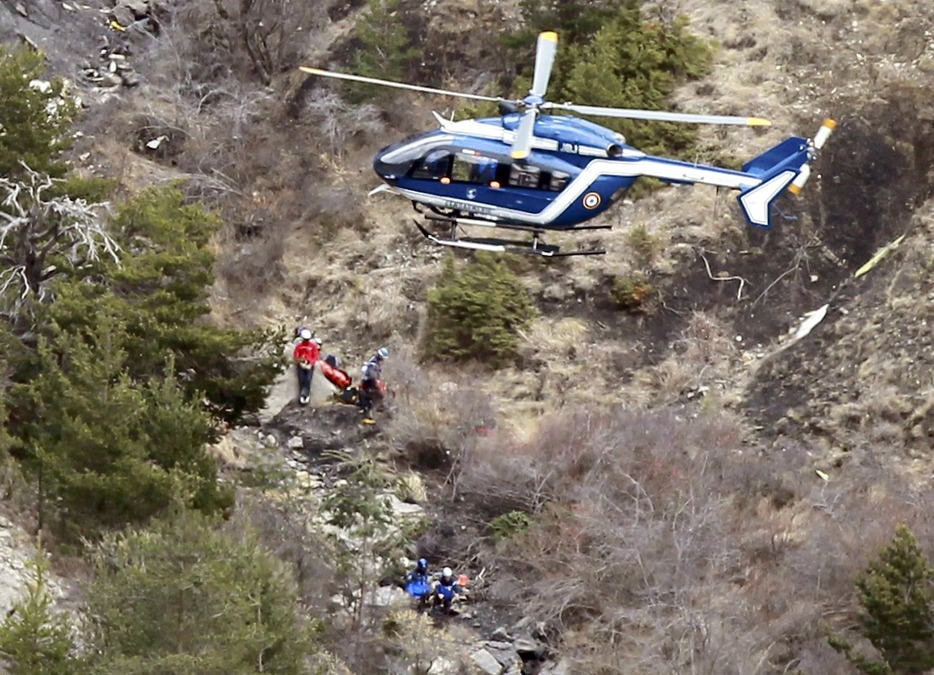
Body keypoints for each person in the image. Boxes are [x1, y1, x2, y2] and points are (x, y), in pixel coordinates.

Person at [358, 347, 389, 420]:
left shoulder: (374, 362)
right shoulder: (373, 364)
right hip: (369, 385)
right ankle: (367, 414)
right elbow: (373, 377)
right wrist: (377, 384)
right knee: (370, 398)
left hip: (369, 384)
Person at [293, 329, 321, 405]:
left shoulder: (313, 346)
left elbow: (315, 355)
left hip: (309, 364)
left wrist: (310, 364)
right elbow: (296, 355)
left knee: (308, 379)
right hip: (301, 364)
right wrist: (300, 363)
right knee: (301, 379)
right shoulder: (299, 346)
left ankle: (306, 394)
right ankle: (302, 394)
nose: (306, 341)